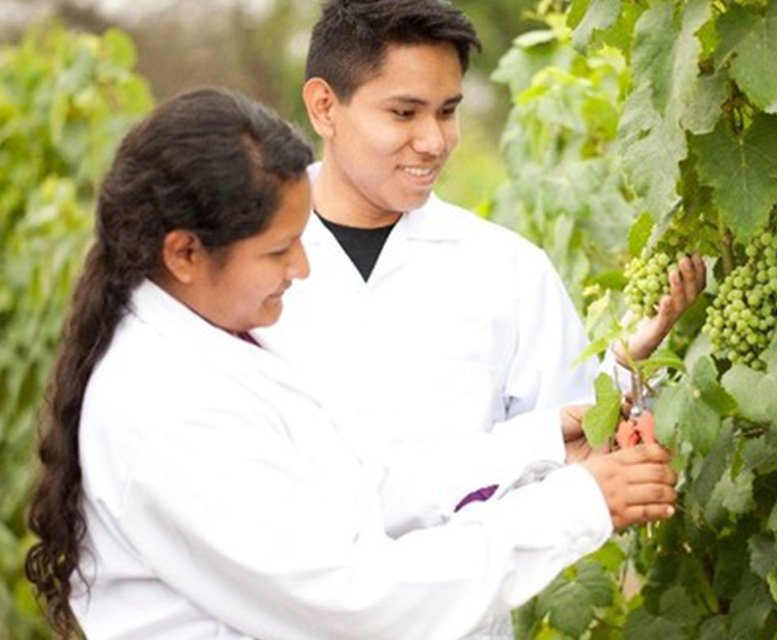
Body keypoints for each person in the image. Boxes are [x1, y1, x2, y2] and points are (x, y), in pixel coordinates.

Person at [24, 88, 679, 640]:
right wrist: (576, 505)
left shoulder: (215, 345)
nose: (302, 269)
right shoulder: (165, 410)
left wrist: (540, 441)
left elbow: (358, 492)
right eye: (280, 251)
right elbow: (355, 599)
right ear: (185, 254)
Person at [257, 0, 704, 527]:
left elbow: (569, 452)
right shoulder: (241, 261)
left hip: (465, 608)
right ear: (324, 107)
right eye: (404, 113)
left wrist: (624, 370)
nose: (433, 142)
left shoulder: (507, 270)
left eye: (447, 111)